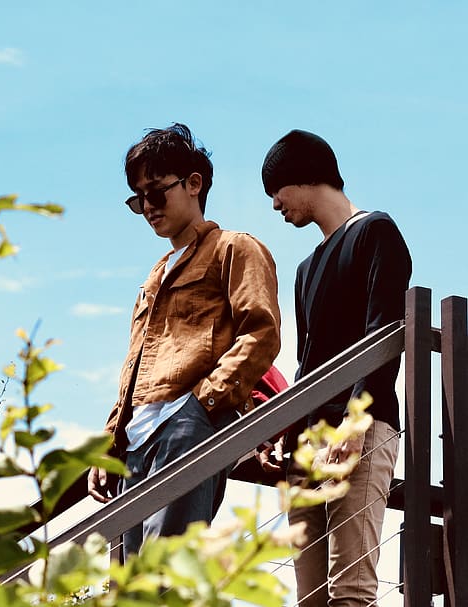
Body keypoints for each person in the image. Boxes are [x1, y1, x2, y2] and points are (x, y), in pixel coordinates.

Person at [87, 124, 281, 556]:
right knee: (128, 591)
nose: (148, 208)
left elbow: (261, 332)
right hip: (133, 445)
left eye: (156, 193)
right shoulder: (154, 276)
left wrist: (201, 405)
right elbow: (135, 371)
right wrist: (107, 444)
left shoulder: (234, 248)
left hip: (186, 427)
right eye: (138, 200)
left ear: (194, 184)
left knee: (161, 582)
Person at [257, 129, 412, 606]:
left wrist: (355, 424)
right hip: (308, 446)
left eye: (276, 192)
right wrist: (284, 430)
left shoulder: (376, 231)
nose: (276, 205)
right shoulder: (305, 269)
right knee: (311, 598)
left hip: (361, 428)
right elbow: (307, 366)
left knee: (351, 590)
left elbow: (384, 334)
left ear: (302, 177)